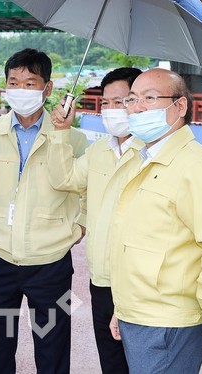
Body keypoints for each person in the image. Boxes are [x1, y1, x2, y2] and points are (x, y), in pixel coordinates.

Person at [53, 68, 202, 372]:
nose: (137, 107)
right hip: (137, 309)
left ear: (180, 107)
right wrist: (123, 305)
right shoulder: (146, 159)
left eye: (149, 98)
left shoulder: (194, 165)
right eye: (132, 100)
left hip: (167, 318)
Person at [0, 48, 89, 374]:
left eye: (30, 83)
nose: (20, 90)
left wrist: (81, 226)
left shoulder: (73, 139)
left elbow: (89, 190)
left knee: (54, 348)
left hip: (52, 262)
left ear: (47, 88)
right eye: (13, 82)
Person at [47, 67, 143, 374]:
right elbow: (65, 179)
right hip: (101, 278)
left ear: (138, 102)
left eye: (122, 101)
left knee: (143, 360)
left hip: (139, 280)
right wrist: (62, 132)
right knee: (112, 362)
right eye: (108, 103)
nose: (113, 110)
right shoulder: (99, 149)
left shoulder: (150, 151)